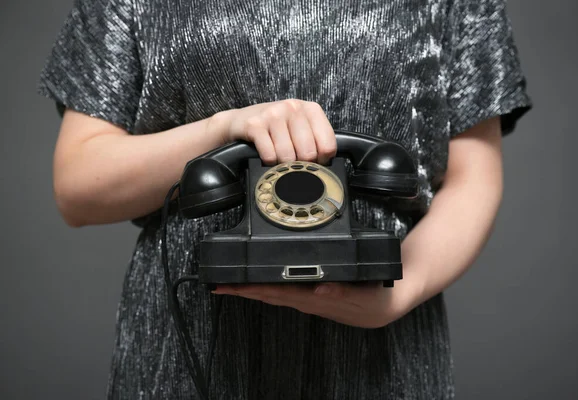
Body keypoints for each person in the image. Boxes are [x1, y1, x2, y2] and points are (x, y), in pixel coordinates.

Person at [38, 0, 531, 398]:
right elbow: (78, 187)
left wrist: (403, 288)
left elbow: (473, 177)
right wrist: (222, 129)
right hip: (188, 340)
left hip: (383, 343)